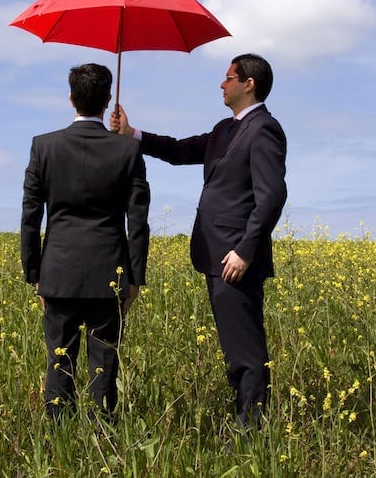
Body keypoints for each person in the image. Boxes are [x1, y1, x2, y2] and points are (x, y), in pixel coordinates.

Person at [110, 53, 287, 427]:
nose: (221, 84)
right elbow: (178, 150)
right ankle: (245, 417)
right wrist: (132, 134)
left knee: (245, 346)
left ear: (248, 83)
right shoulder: (225, 129)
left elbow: (272, 197)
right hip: (216, 254)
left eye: (228, 78)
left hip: (235, 258)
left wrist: (245, 251)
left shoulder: (264, 129)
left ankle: (252, 429)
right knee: (233, 344)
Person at [21, 63, 151, 421]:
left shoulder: (43, 147)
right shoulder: (128, 151)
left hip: (57, 272)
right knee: (104, 366)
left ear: (71, 98)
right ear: (108, 99)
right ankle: (102, 442)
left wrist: (34, 273)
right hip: (110, 272)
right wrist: (135, 278)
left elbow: (30, 216)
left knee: (58, 361)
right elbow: (138, 220)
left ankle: (58, 441)